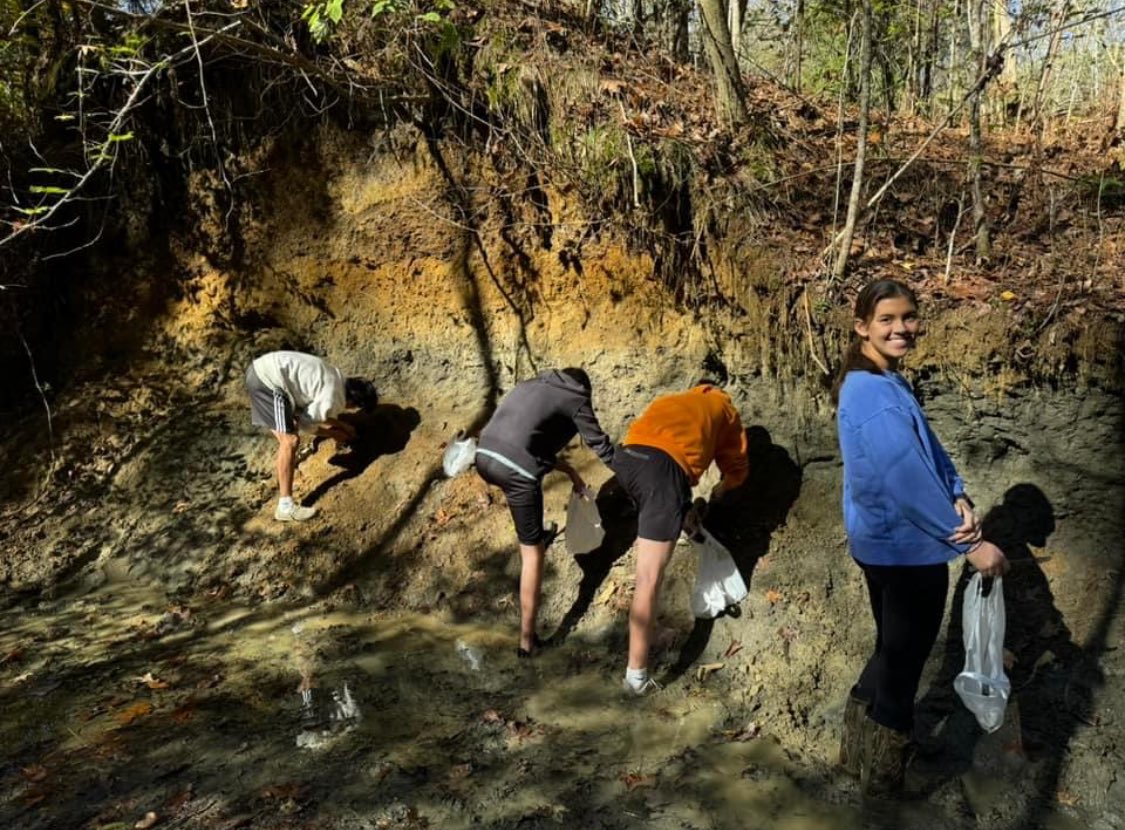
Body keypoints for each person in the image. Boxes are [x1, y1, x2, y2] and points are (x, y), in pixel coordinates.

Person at [833, 279, 1008, 797]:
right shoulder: (873, 393)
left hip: (883, 543)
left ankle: (855, 755)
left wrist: (957, 493)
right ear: (862, 327)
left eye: (908, 317)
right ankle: (885, 785)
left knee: (891, 647)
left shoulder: (883, 382)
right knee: (905, 663)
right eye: (887, 320)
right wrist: (974, 547)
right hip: (905, 550)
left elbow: (927, 453)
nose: (901, 329)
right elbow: (904, 476)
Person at [612, 382, 749, 696]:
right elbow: (737, 468)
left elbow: (659, 452)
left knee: (662, 505)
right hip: (663, 473)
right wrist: (721, 490)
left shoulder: (673, 400)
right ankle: (636, 680)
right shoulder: (725, 410)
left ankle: (675, 515)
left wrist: (681, 506)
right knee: (648, 579)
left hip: (628, 460)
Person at [475, 368, 615, 657]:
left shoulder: (534, 384)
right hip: (515, 471)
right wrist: (635, 472)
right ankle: (527, 643)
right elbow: (599, 444)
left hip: (483, 455)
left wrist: (570, 471)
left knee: (528, 514)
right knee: (532, 552)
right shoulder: (577, 396)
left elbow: (527, 441)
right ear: (584, 389)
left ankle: (535, 531)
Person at [245, 350, 378, 521]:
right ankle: (285, 507)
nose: (351, 410)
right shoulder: (334, 396)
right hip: (268, 382)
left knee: (289, 432)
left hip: (262, 372)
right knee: (291, 440)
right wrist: (333, 434)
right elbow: (306, 425)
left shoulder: (336, 377)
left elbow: (310, 411)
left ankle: (285, 474)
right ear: (352, 402)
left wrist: (341, 425)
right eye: (354, 408)